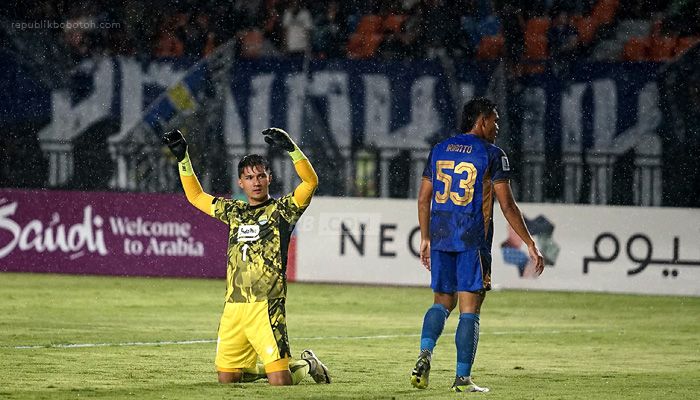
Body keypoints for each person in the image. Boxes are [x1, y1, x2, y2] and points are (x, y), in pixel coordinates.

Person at [162, 127, 329, 386]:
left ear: (269, 178)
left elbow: (310, 183)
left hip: (267, 307)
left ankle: (308, 364)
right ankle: (284, 365)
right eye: (249, 177)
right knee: (228, 380)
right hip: (234, 307)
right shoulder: (234, 211)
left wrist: (291, 149)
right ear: (241, 183)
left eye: (261, 175)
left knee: (280, 384)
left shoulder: (281, 211)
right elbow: (195, 197)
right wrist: (183, 159)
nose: (256, 181)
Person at [411, 97, 544, 392]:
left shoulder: (440, 149)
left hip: (442, 236)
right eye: (494, 119)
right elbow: (507, 204)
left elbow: (423, 198)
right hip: (472, 239)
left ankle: (424, 353)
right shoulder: (492, 154)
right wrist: (530, 244)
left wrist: (425, 238)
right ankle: (462, 378)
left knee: (442, 302)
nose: (497, 126)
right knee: (469, 308)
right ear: (481, 120)